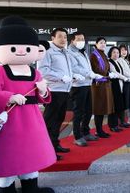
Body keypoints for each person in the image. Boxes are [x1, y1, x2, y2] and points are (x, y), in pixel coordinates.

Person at [0, 16, 55, 193]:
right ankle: (6, 188)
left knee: (30, 157)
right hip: (7, 123)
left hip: (32, 120)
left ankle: (31, 188)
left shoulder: (34, 72)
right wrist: (9, 97)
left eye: (27, 48)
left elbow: (44, 96)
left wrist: (43, 90)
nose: (20, 52)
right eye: (13, 48)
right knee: (7, 159)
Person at [39, 27, 74, 160]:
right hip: (54, 91)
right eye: (60, 36)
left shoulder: (65, 52)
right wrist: (60, 77)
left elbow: (67, 70)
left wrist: (73, 76)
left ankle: (55, 144)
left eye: (65, 37)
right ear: (52, 38)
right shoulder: (48, 52)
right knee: (50, 121)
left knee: (59, 120)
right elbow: (43, 71)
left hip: (64, 90)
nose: (63, 39)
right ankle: (46, 150)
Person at [68, 32, 100, 147]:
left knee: (88, 110)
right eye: (79, 39)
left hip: (87, 84)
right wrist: (89, 73)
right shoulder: (70, 52)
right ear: (72, 41)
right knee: (78, 112)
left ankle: (85, 132)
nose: (82, 41)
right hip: (78, 86)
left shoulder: (83, 52)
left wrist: (92, 74)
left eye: (83, 38)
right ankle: (77, 136)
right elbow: (74, 67)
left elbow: (87, 66)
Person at [90, 37, 115, 138]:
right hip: (98, 85)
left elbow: (106, 67)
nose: (103, 44)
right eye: (101, 43)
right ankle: (99, 130)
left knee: (104, 108)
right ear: (96, 44)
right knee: (98, 109)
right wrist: (108, 74)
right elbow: (96, 69)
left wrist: (109, 73)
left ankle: (100, 130)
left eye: (104, 43)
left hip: (105, 84)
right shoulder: (94, 55)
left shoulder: (103, 54)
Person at [108, 46, 130, 131]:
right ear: (110, 53)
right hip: (114, 86)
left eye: (117, 52)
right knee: (114, 106)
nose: (116, 54)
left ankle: (121, 122)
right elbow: (115, 72)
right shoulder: (109, 62)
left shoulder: (117, 61)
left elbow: (123, 72)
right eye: (114, 52)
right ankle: (112, 126)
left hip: (120, 85)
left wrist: (129, 77)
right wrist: (124, 78)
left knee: (120, 105)